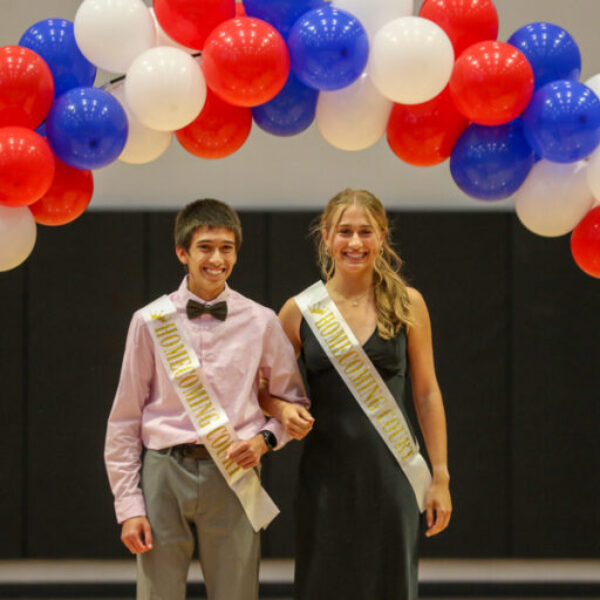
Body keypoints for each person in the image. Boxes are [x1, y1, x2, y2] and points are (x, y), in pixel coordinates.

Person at [104, 198, 311, 600]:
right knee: (157, 594)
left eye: (226, 248)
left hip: (234, 472)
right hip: (164, 472)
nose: (217, 258)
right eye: (205, 247)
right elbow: (125, 419)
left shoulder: (261, 320)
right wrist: (129, 507)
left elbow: (291, 402)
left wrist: (264, 440)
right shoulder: (150, 321)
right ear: (182, 252)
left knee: (237, 593)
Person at [263, 189, 452, 600]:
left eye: (365, 232)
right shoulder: (298, 311)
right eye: (344, 231)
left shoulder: (408, 304)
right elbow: (262, 390)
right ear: (326, 236)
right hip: (325, 481)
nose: (355, 243)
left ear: (382, 237)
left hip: (394, 479)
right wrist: (281, 408)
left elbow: (427, 394)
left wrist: (440, 476)